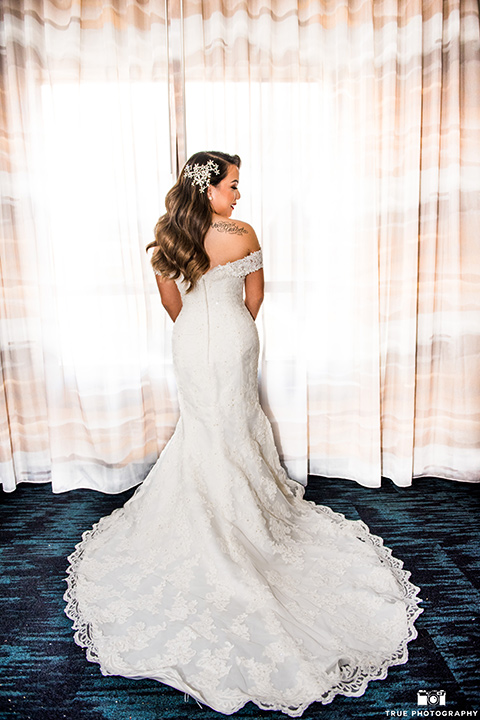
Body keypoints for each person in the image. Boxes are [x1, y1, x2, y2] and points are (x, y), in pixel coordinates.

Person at [64, 151, 423, 716]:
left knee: (204, 427)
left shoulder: (167, 233)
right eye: (233, 185)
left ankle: (212, 509)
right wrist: (233, 327)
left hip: (190, 342)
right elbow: (254, 298)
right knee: (234, 425)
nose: (238, 196)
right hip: (234, 339)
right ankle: (243, 514)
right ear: (209, 188)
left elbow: (169, 301)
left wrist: (199, 326)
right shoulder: (242, 233)